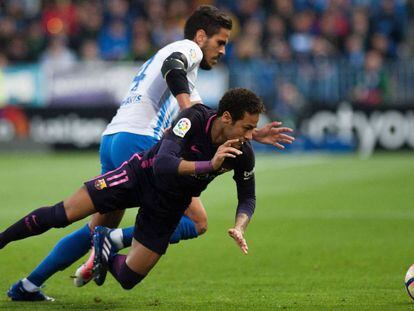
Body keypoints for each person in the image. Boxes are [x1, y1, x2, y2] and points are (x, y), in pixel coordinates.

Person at [4, 5, 294, 301]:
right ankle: (114, 241)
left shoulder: (186, 77)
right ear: (201, 35)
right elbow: (174, 67)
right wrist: (186, 111)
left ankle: (29, 284)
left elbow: (217, 118)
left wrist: (252, 132)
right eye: (220, 42)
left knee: (92, 226)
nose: (222, 51)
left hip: (115, 135)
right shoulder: (187, 48)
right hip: (139, 141)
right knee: (197, 222)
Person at [0, 87, 264, 293]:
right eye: (247, 128)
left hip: (169, 204)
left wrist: (240, 226)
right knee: (62, 214)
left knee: (128, 278)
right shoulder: (193, 119)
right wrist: (210, 163)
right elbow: (163, 163)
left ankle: (106, 245)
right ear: (226, 117)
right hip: (138, 176)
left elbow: (248, 196)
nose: (251, 136)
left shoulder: (242, 152)